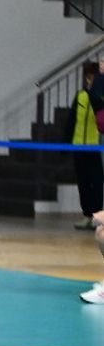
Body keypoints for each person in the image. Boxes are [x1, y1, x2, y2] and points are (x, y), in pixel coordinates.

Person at [72, 61, 102, 227]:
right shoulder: (80, 96)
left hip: (95, 147)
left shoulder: (99, 97)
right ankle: (87, 214)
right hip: (79, 146)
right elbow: (72, 121)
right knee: (83, 183)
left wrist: (94, 92)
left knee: (96, 182)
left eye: (93, 78)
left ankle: (97, 215)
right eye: (88, 78)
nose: (90, 81)